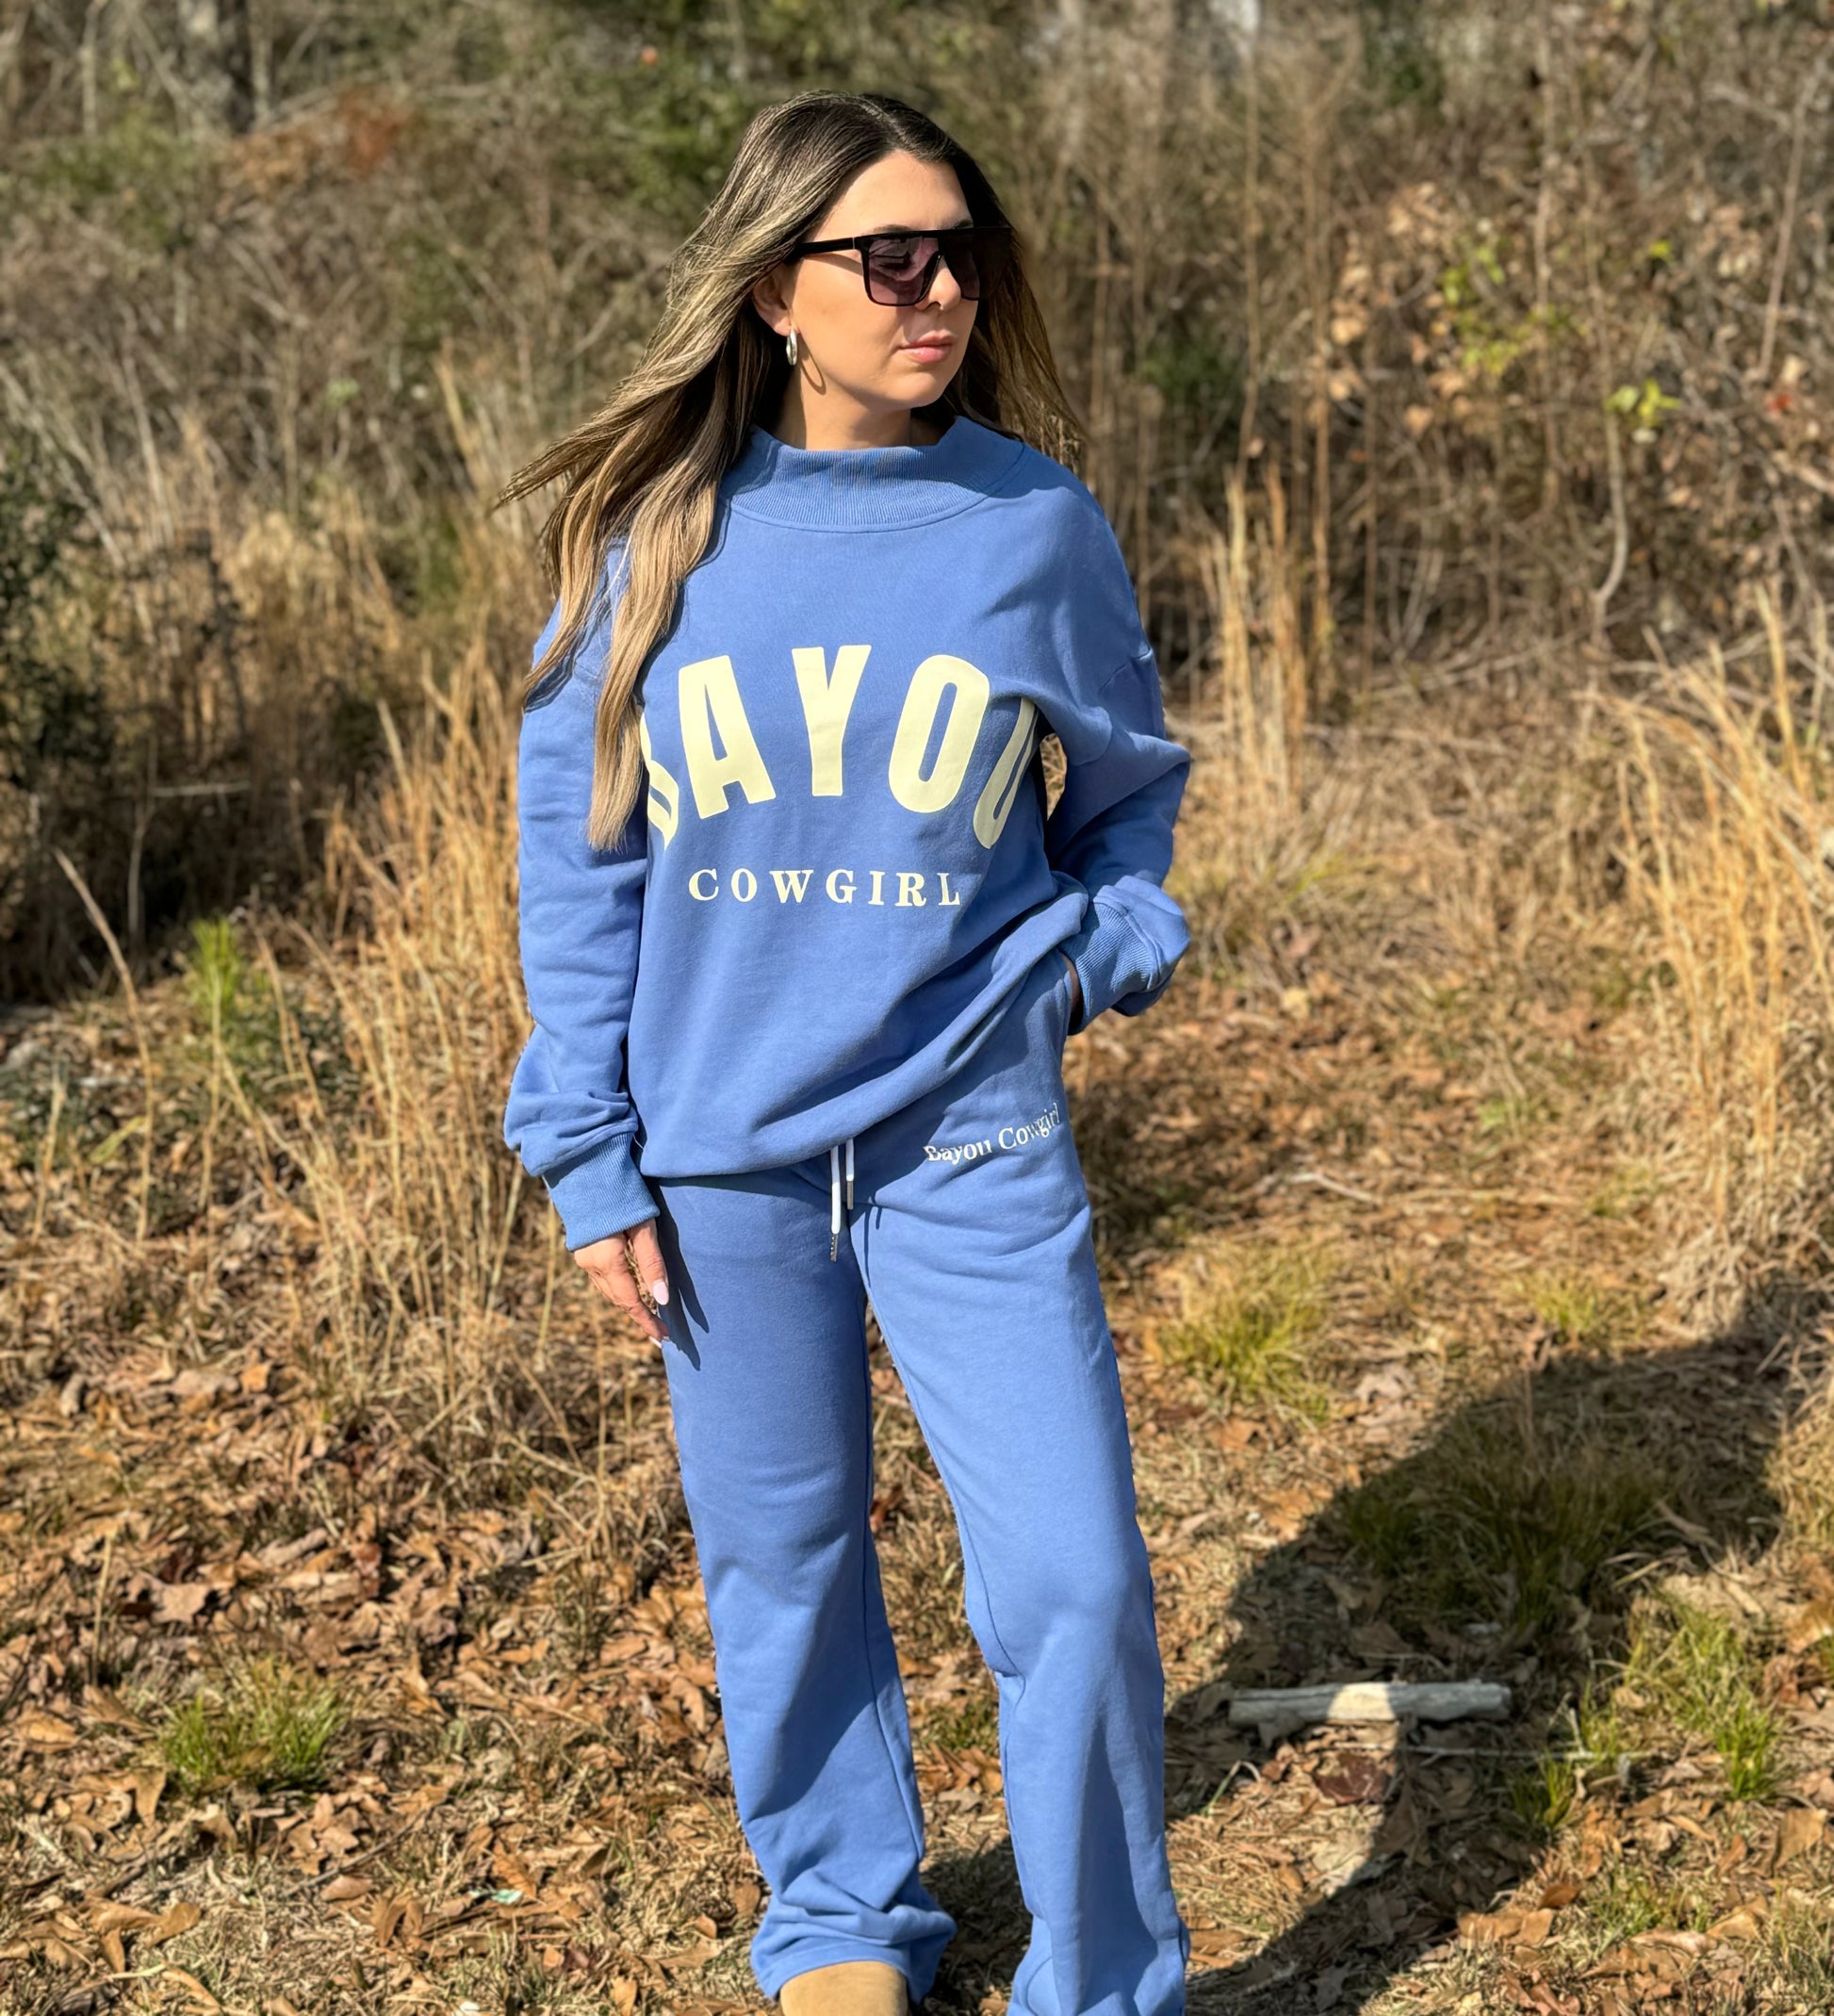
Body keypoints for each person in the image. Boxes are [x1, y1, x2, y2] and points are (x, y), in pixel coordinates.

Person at [500, 87, 1193, 2016]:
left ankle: (1102, 1984)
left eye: (960, 252)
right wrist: (588, 1152)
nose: (938, 290)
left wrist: (1097, 953)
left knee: (1074, 1577)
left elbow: (1127, 790)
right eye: (888, 258)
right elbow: (581, 866)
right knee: (787, 1567)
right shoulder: (650, 541)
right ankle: (838, 1925)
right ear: (774, 292)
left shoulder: (1030, 524)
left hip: (968, 1129)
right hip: (721, 1148)